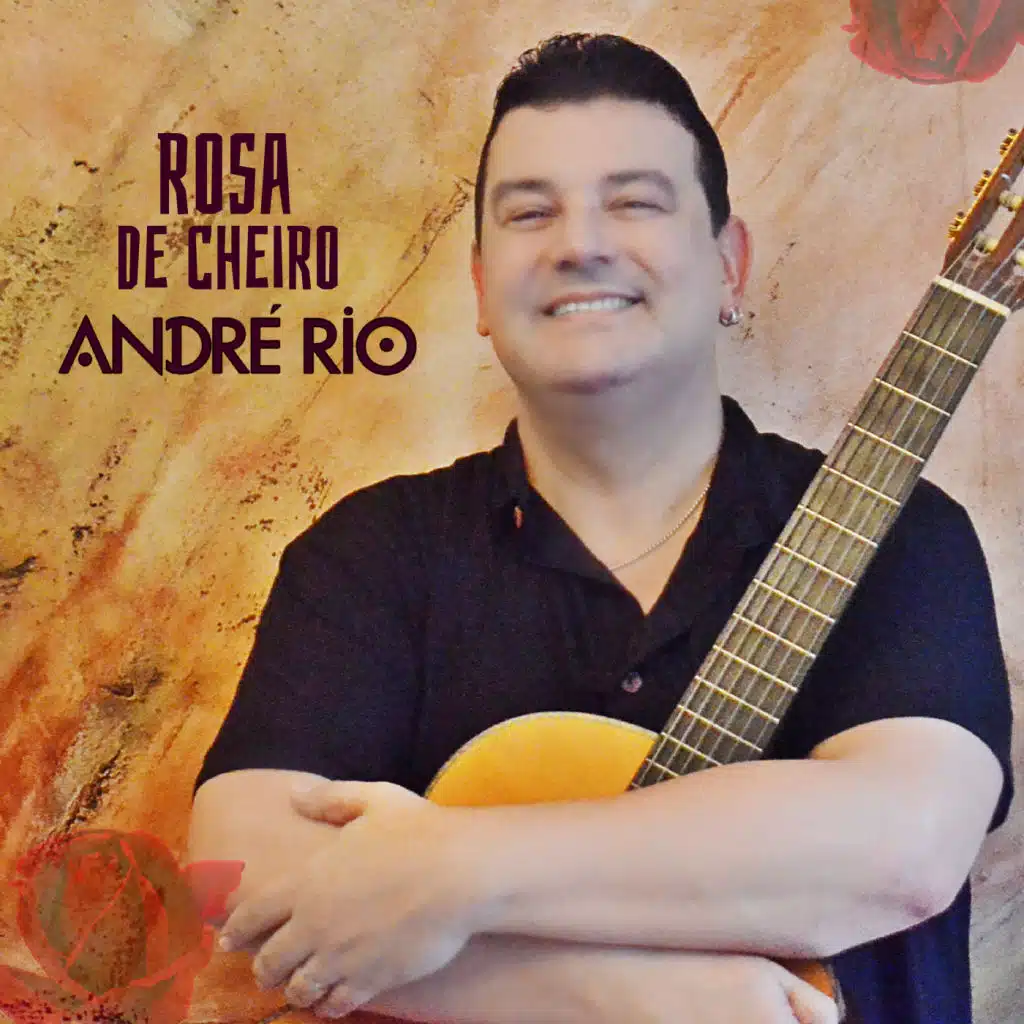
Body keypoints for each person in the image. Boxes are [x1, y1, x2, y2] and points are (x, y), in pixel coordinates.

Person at [187, 33, 1015, 1024]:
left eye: (635, 202)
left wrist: (453, 870)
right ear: (481, 288)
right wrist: (613, 993)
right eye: (530, 212)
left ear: (729, 267)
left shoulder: (900, 532)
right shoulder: (372, 553)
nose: (578, 245)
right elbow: (234, 868)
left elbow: (902, 849)